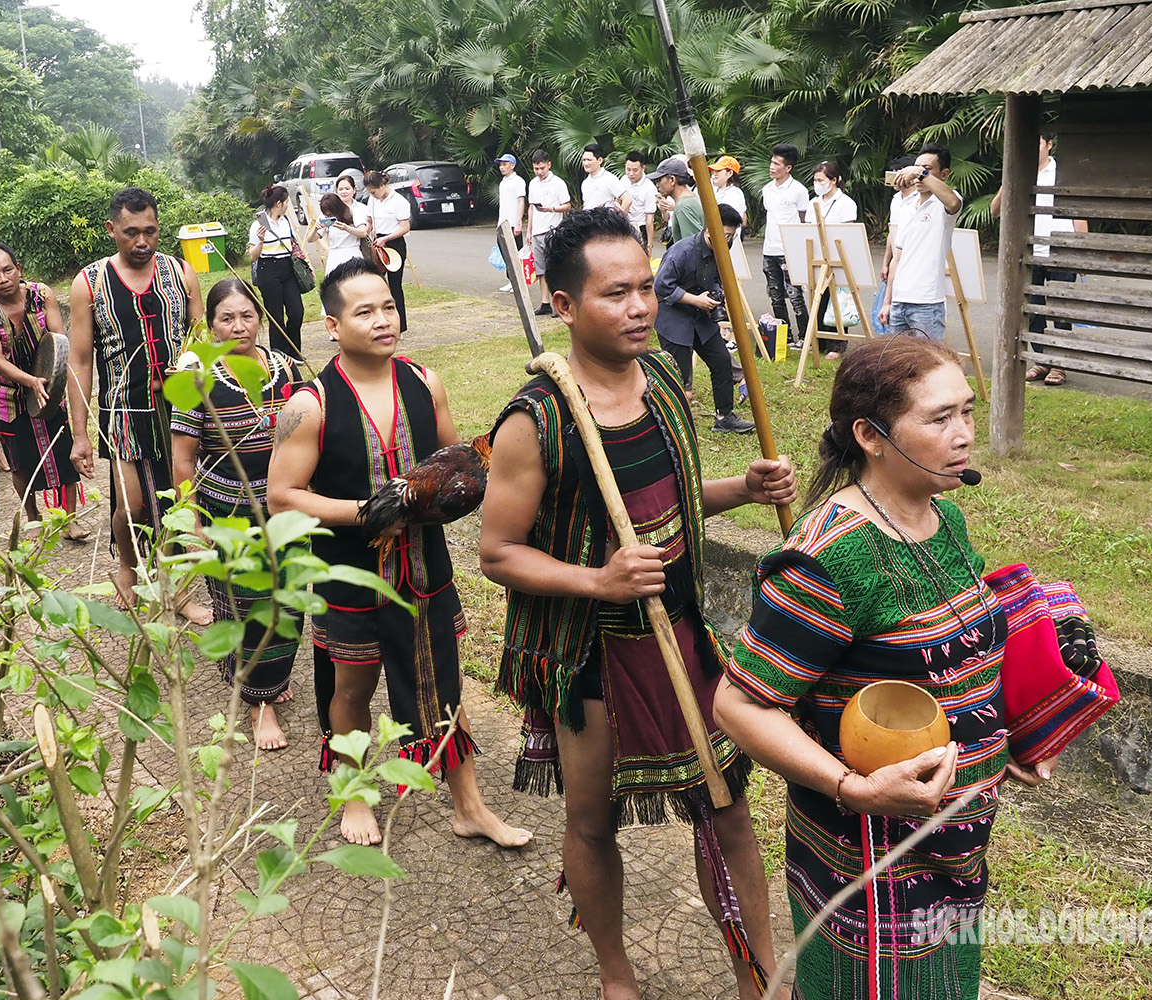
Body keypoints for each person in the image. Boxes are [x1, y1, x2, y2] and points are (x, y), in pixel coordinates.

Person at [479, 207, 794, 1000]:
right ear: (563, 305)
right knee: (592, 821)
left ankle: (761, 980)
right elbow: (497, 552)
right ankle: (615, 973)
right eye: (616, 294)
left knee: (725, 809)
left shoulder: (659, 381)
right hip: (592, 654)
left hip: (680, 633)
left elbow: (676, 502)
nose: (642, 308)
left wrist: (740, 489)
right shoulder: (536, 420)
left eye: (647, 289)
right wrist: (598, 581)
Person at [717, 335, 1057, 1000]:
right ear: (870, 436)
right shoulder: (827, 561)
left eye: (966, 411)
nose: (964, 434)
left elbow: (958, 659)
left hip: (955, 843)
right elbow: (740, 706)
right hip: (868, 861)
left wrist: (1009, 739)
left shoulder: (946, 520)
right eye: (938, 419)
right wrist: (853, 787)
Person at [266, 257, 532, 850]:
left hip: (425, 569)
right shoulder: (309, 405)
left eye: (388, 305)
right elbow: (282, 496)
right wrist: (367, 510)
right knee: (354, 688)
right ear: (332, 326)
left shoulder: (424, 381)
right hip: (350, 573)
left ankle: (470, 806)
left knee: (446, 686)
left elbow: (454, 463)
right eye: (365, 311)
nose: (383, 320)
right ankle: (355, 791)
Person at [171, 278, 309, 750]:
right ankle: (258, 703)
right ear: (209, 327)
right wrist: (191, 523)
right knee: (247, 604)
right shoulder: (197, 379)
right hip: (227, 509)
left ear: (261, 318)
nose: (238, 326)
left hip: (287, 506)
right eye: (225, 318)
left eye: (246, 316)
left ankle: (262, 675)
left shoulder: (288, 370)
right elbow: (184, 459)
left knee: (289, 598)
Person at [68, 187, 207, 612]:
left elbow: (201, 340)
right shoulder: (88, 283)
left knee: (180, 501)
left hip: (179, 410)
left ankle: (177, 589)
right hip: (123, 411)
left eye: (150, 231)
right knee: (133, 504)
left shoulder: (181, 273)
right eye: (131, 233)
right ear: (112, 230)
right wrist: (80, 434)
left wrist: (196, 371)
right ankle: (127, 564)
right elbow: (79, 360)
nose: (142, 242)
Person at [0, 243, 89, 540]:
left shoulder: (42, 293)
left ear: (18, 268)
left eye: (8, 269)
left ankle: (69, 519)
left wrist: (50, 375)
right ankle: (33, 517)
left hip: (49, 386)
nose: (3, 278)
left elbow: (57, 338)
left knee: (62, 451)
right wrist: (29, 381)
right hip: (7, 396)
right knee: (20, 461)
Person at [993, 132, 1086, 387]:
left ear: (1049, 145)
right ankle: (1041, 359)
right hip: (1030, 253)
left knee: (1060, 311)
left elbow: (1079, 212)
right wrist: (1009, 179)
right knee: (1033, 310)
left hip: (1062, 251)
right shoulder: (1018, 173)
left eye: (1037, 144)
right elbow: (995, 210)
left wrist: (1083, 250)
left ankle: (1060, 364)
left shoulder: (1064, 172)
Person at [653, 204, 755, 433]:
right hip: (674, 320)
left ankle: (724, 417)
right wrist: (695, 300)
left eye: (732, 236)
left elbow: (716, 280)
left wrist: (714, 297)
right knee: (681, 381)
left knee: (721, 363)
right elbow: (661, 286)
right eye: (725, 235)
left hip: (701, 319)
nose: (728, 240)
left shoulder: (722, 249)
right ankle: (672, 427)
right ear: (710, 229)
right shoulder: (682, 251)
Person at [878, 143, 963, 342]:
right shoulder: (906, 206)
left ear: (944, 174)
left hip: (927, 302)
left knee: (929, 363)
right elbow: (897, 258)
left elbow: (953, 203)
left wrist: (919, 172)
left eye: (927, 169)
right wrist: (887, 301)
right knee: (896, 363)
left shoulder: (944, 203)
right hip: (899, 300)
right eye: (916, 168)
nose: (918, 175)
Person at [246, 184, 307, 357]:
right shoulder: (258, 224)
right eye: (287, 202)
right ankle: (279, 354)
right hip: (268, 269)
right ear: (279, 203)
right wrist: (260, 240)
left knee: (296, 312)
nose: (288, 205)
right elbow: (253, 256)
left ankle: (294, 351)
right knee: (276, 317)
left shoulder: (286, 220)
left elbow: (292, 245)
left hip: (287, 268)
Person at [761, 143, 811, 345]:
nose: (772, 166)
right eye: (771, 162)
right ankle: (784, 336)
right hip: (769, 249)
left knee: (795, 295)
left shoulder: (798, 190)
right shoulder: (767, 189)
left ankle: (804, 337)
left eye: (777, 163)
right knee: (775, 295)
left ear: (788, 168)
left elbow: (803, 218)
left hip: (789, 250)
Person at [809, 160, 859, 355]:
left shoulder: (846, 204)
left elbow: (847, 234)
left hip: (838, 257)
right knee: (818, 298)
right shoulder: (813, 202)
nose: (817, 183)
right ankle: (819, 341)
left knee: (836, 301)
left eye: (821, 180)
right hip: (817, 257)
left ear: (834, 180)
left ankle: (837, 345)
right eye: (815, 180)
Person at [363, 170, 414, 334]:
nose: (373, 195)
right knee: (377, 285)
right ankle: (379, 322)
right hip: (377, 242)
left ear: (382, 185)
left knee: (394, 285)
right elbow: (369, 220)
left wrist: (387, 239)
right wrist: (366, 231)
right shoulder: (373, 200)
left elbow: (405, 227)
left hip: (394, 243)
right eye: (371, 193)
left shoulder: (398, 201)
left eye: (374, 191)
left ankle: (399, 325)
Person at [875, 154, 920, 336]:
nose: (894, 178)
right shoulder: (896, 199)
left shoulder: (919, 198)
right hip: (896, 255)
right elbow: (892, 233)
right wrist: (886, 262)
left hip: (912, 258)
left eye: (897, 173)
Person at [526, 149, 571, 316]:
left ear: (549, 165)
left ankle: (559, 302)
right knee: (541, 269)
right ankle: (545, 303)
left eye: (542, 168)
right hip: (537, 231)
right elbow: (531, 208)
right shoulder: (533, 183)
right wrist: (529, 230)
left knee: (554, 267)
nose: (539, 172)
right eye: (536, 169)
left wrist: (551, 209)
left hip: (552, 230)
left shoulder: (558, 183)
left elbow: (567, 205)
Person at [314, 177, 370, 274]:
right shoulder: (329, 210)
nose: (344, 192)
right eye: (340, 189)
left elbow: (365, 231)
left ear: (354, 190)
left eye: (347, 189)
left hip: (358, 251)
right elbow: (318, 234)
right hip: (335, 254)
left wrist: (346, 228)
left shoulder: (361, 209)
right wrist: (326, 248)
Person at [647, 158, 703, 244]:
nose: (657, 185)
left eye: (659, 180)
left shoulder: (683, 206)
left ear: (672, 180)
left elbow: (693, 246)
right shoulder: (692, 199)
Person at [496, 152, 527, 291]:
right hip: (503, 223)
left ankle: (519, 282)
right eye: (501, 165)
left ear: (512, 166)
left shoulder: (518, 181)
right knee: (505, 253)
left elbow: (521, 202)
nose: (502, 167)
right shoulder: (503, 182)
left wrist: (518, 222)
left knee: (515, 253)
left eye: (505, 164)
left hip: (513, 223)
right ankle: (511, 280)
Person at [621, 151, 658, 252]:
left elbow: (649, 219)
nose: (631, 173)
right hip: (625, 225)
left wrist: (649, 245)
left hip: (640, 228)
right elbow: (616, 200)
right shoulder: (623, 180)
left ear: (643, 168)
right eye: (628, 169)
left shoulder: (649, 188)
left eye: (635, 170)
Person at [579, 143, 628, 213]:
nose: (586, 163)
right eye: (584, 160)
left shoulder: (609, 178)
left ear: (600, 160)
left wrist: (619, 219)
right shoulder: (585, 182)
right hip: (588, 221)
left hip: (604, 221)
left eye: (589, 160)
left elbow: (627, 198)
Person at [706, 155, 747, 231]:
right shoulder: (717, 189)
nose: (714, 174)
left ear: (730, 173)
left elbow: (729, 222)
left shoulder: (734, 194)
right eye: (713, 171)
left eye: (718, 171)